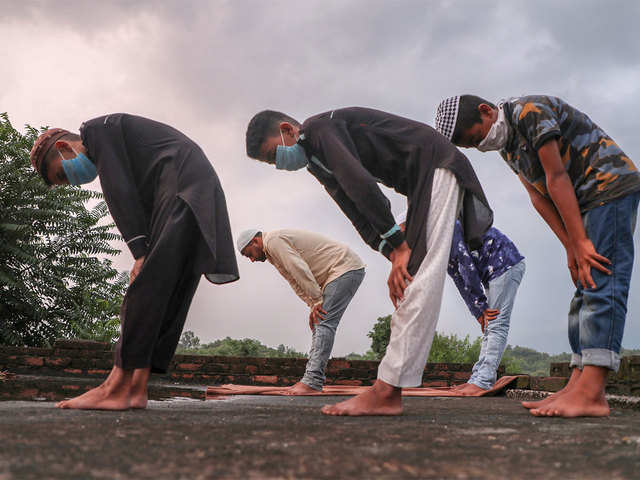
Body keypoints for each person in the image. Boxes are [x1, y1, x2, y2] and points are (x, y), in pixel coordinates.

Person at [245, 108, 493, 415]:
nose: (277, 165)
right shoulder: (316, 161)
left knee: (417, 275)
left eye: (273, 155)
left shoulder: (319, 130)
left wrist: (402, 247)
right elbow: (352, 208)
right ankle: (388, 389)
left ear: (288, 130)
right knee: (409, 275)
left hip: (437, 165)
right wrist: (391, 253)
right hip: (421, 182)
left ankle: (386, 391)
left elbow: (361, 184)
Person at [435, 95, 640, 417]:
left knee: (601, 279)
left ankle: (593, 392)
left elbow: (557, 177)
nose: (481, 147)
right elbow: (538, 194)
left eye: (477, 138)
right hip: (585, 202)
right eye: (472, 147)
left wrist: (581, 240)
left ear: (486, 112)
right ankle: (577, 383)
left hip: (608, 187)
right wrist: (571, 246)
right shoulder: (508, 146)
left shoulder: (529, 113)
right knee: (583, 287)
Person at [30, 114, 239, 410]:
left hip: (183, 184)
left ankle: (115, 386)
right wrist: (147, 249)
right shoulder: (124, 146)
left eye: (63, 175)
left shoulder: (96, 131)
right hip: (195, 186)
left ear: (65, 147)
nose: (72, 182)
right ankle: (137, 389)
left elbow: (118, 189)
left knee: (146, 287)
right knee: (168, 290)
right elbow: (138, 194)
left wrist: (140, 251)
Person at [399, 210, 525, 395]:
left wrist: (481, 305)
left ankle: (483, 380)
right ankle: (477, 378)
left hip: (505, 264)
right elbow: (457, 276)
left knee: (496, 324)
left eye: (404, 232)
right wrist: (478, 311)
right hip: (492, 271)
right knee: (490, 326)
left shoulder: (447, 228)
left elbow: (466, 266)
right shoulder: (434, 243)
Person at [236, 228, 365, 394]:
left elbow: (299, 269)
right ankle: (310, 379)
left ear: (255, 241)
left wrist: (317, 300)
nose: (252, 260)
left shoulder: (274, 241)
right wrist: (312, 304)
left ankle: (312, 382)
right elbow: (294, 280)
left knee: (324, 322)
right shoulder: (272, 251)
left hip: (344, 268)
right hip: (339, 272)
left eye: (250, 254)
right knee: (320, 321)